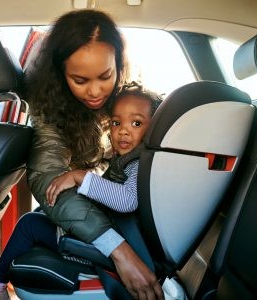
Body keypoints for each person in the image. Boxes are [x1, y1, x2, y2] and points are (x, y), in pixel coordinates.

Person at [0, 82, 163, 300]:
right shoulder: (132, 159)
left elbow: (126, 200)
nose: (123, 130)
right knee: (42, 213)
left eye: (136, 123)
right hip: (111, 232)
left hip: (105, 248)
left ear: (153, 129)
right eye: (116, 122)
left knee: (29, 224)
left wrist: (79, 177)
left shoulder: (137, 164)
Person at [26, 9, 164, 300]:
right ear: (61, 75)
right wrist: (119, 250)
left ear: (118, 65)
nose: (95, 91)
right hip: (101, 208)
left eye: (105, 76)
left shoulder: (130, 97)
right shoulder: (49, 115)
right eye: (80, 80)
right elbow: (47, 177)